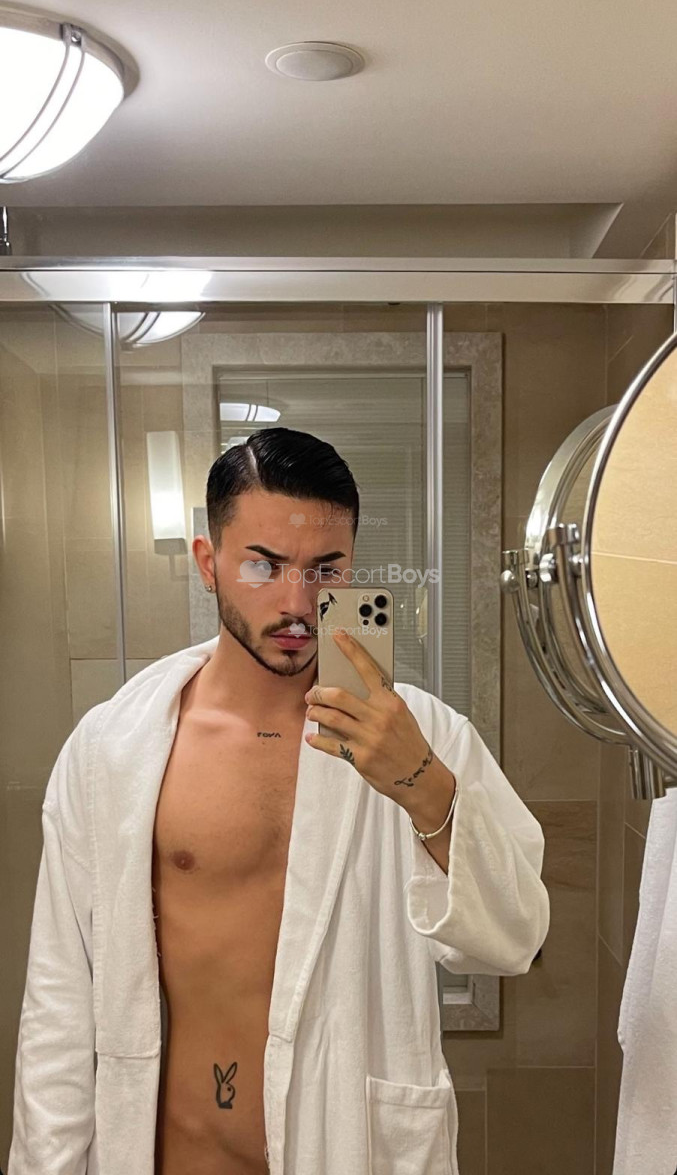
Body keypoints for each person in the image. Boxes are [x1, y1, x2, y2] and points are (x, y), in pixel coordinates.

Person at [8, 427, 550, 1175]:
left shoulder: (424, 736)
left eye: (326, 570)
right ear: (208, 563)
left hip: (347, 1151)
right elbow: (59, 1002)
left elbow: (515, 938)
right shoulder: (112, 750)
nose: (298, 603)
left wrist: (422, 785)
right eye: (263, 565)